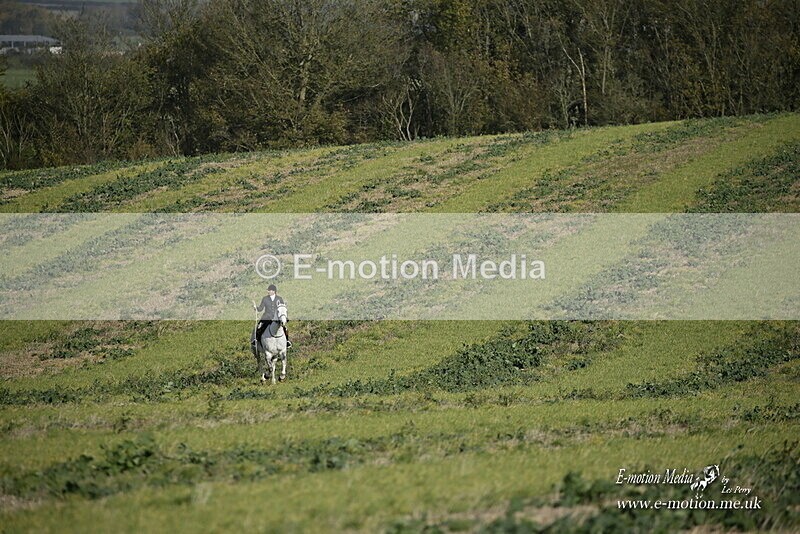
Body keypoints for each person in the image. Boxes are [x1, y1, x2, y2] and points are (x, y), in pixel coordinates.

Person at [253, 284, 292, 348]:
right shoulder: (265, 299)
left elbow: (282, 308)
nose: (268, 291)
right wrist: (256, 308)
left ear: (274, 291)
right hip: (267, 317)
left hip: (276, 318)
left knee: (285, 328)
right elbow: (261, 308)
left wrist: (284, 316)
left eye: (270, 290)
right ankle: (256, 340)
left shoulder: (279, 298)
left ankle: (287, 341)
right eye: (268, 290)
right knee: (259, 327)